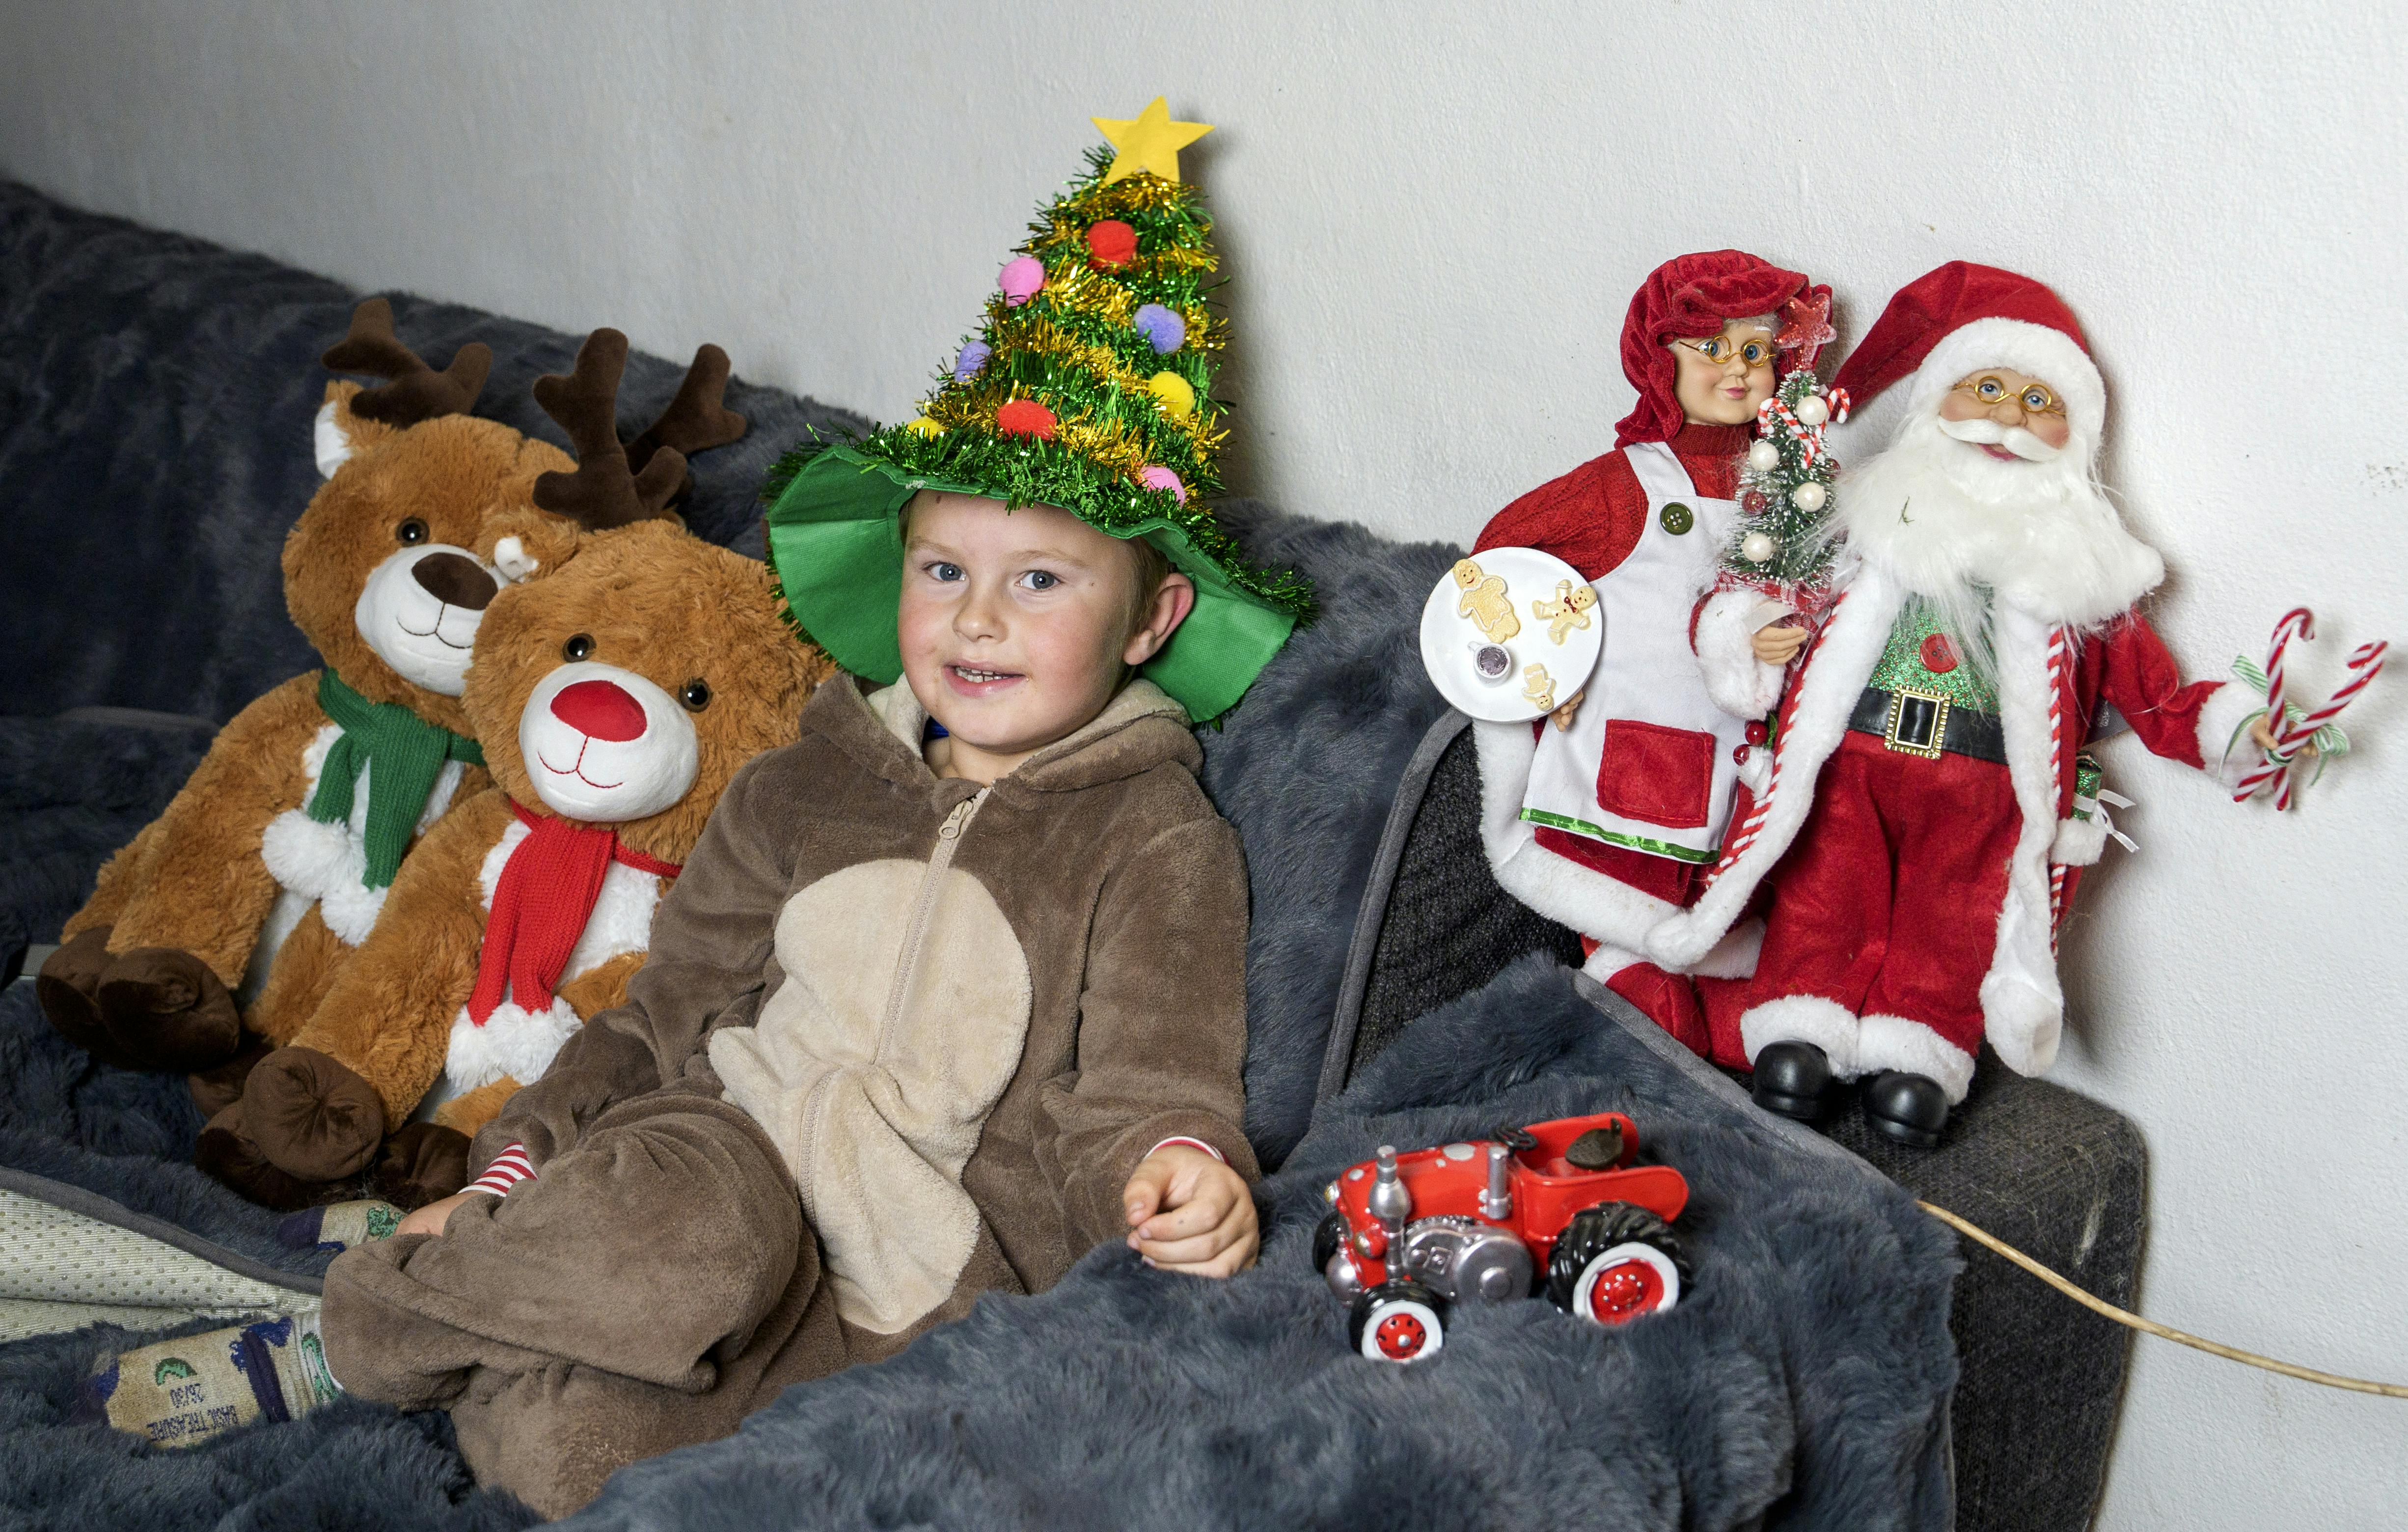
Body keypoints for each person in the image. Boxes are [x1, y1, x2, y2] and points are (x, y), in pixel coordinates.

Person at [82, 106, 1314, 1516]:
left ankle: (497, 1284)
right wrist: (532, 1151)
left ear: (1152, 616)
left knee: (568, 1457)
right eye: (945, 570)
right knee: (688, 1241)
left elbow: (1152, 1088)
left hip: (908, 1282)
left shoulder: (1156, 842)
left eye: (1042, 580)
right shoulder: (809, 778)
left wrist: (1178, 1172)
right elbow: (668, 1014)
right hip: (707, 1166)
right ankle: (359, 1325)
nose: (978, 617)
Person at [1646, 262, 2269, 1145]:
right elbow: (1757, 583)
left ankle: (1921, 1052)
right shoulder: (1862, 521)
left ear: (2076, 435)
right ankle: (1797, 1030)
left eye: (2038, 401)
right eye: (1986, 388)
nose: (2009, 417)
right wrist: (1745, 632)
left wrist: (2239, 728)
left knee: (1954, 922)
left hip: (1981, 791)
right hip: (1850, 768)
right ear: (1937, 402)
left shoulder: (2084, 572)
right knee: (1825, 894)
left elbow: (2158, 697)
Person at [1469, 251, 1828, 1060]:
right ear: (1660, 360)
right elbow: (1494, 566)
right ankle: (1640, 1009)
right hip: (1630, 761)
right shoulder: (1625, 486)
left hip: (1744, 774)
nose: (1735, 370)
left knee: (1739, 940)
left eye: (1755, 350)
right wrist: (1540, 673)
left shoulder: (1796, 489)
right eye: (1711, 348)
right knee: (1643, 954)